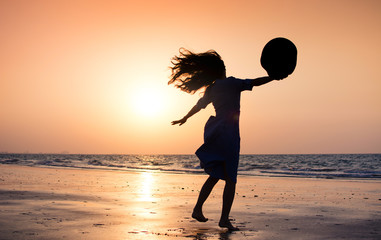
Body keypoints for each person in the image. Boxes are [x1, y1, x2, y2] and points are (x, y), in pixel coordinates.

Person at [169, 48, 283, 231]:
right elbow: (254, 82)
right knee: (231, 178)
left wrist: (185, 118)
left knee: (215, 175)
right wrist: (274, 77)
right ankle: (224, 219)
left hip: (216, 131)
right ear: (223, 69)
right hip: (229, 133)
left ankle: (197, 209)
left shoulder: (212, 88)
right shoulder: (232, 83)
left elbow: (198, 106)